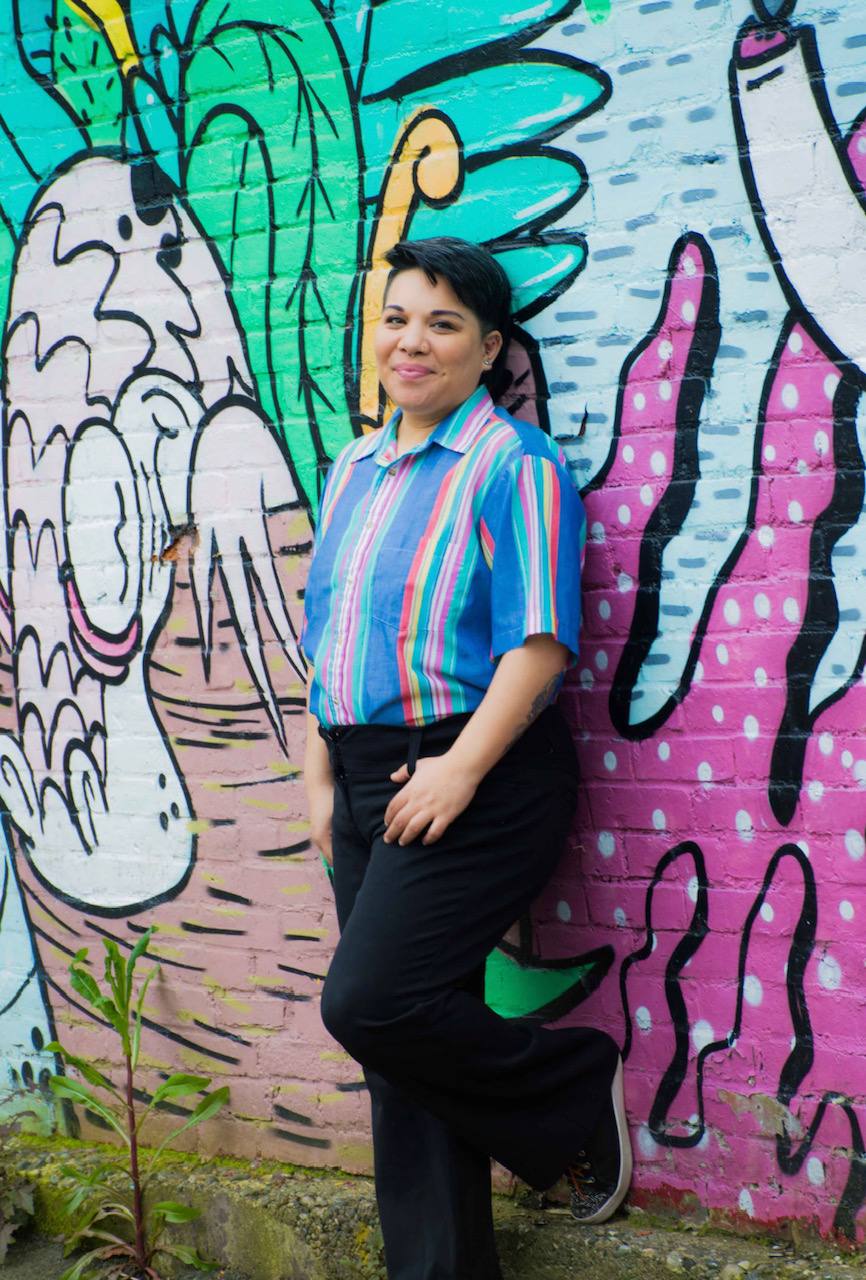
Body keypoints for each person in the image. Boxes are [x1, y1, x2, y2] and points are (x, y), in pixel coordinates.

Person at [301, 236, 631, 1280]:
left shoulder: (514, 465)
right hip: (359, 772)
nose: (411, 340)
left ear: (487, 348)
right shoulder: (352, 466)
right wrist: (319, 777)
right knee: (400, 1049)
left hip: (472, 768)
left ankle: (575, 1087)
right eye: (397, 317)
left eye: (442, 323)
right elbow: (333, 631)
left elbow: (538, 641)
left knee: (369, 1001)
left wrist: (459, 766)